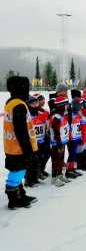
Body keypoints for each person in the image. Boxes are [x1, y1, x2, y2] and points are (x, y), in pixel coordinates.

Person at [3, 76, 38, 209]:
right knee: (17, 172)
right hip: (18, 148)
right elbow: (21, 132)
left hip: (11, 146)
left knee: (19, 170)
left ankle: (20, 194)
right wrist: (28, 151)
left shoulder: (11, 102)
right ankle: (14, 199)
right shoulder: (19, 105)